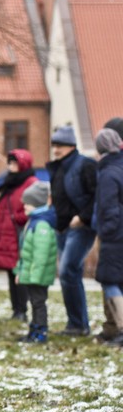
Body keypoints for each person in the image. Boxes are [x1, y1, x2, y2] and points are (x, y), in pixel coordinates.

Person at [46, 125, 98, 337]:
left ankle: (78, 324)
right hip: (62, 227)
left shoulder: (85, 165)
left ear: (71, 146)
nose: (56, 149)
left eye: (60, 145)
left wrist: (83, 217)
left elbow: (97, 195)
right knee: (69, 274)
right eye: (54, 145)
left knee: (68, 270)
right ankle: (76, 324)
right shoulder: (58, 167)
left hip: (80, 227)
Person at [0, 149, 38, 323]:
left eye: (15, 163)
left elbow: (36, 207)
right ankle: (16, 309)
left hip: (20, 234)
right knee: (11, 272)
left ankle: (23, 310)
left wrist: (17, 218)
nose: (11, 166)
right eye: (10, 162)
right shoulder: (10, 183)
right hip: (7, 233)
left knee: (20, 272)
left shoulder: (31, 182)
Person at [15, 182, 57, 343]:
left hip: (38, 275)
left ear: (37, 203)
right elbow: (25, 252)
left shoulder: (42, 225)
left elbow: (41, 254)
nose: (24, 206)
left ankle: (40, 332)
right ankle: (34, 330)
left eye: (28, 203)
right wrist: (20, 271)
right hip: (32, 273)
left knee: (39, 303)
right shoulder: (33, 221)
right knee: (34, 302)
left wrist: (35, 275)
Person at [93, 128, 123, 346]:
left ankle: (121, 329)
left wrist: (106, 232)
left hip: (115, 236)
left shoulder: (108, 174)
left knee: (109, 280)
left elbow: (108, 207)